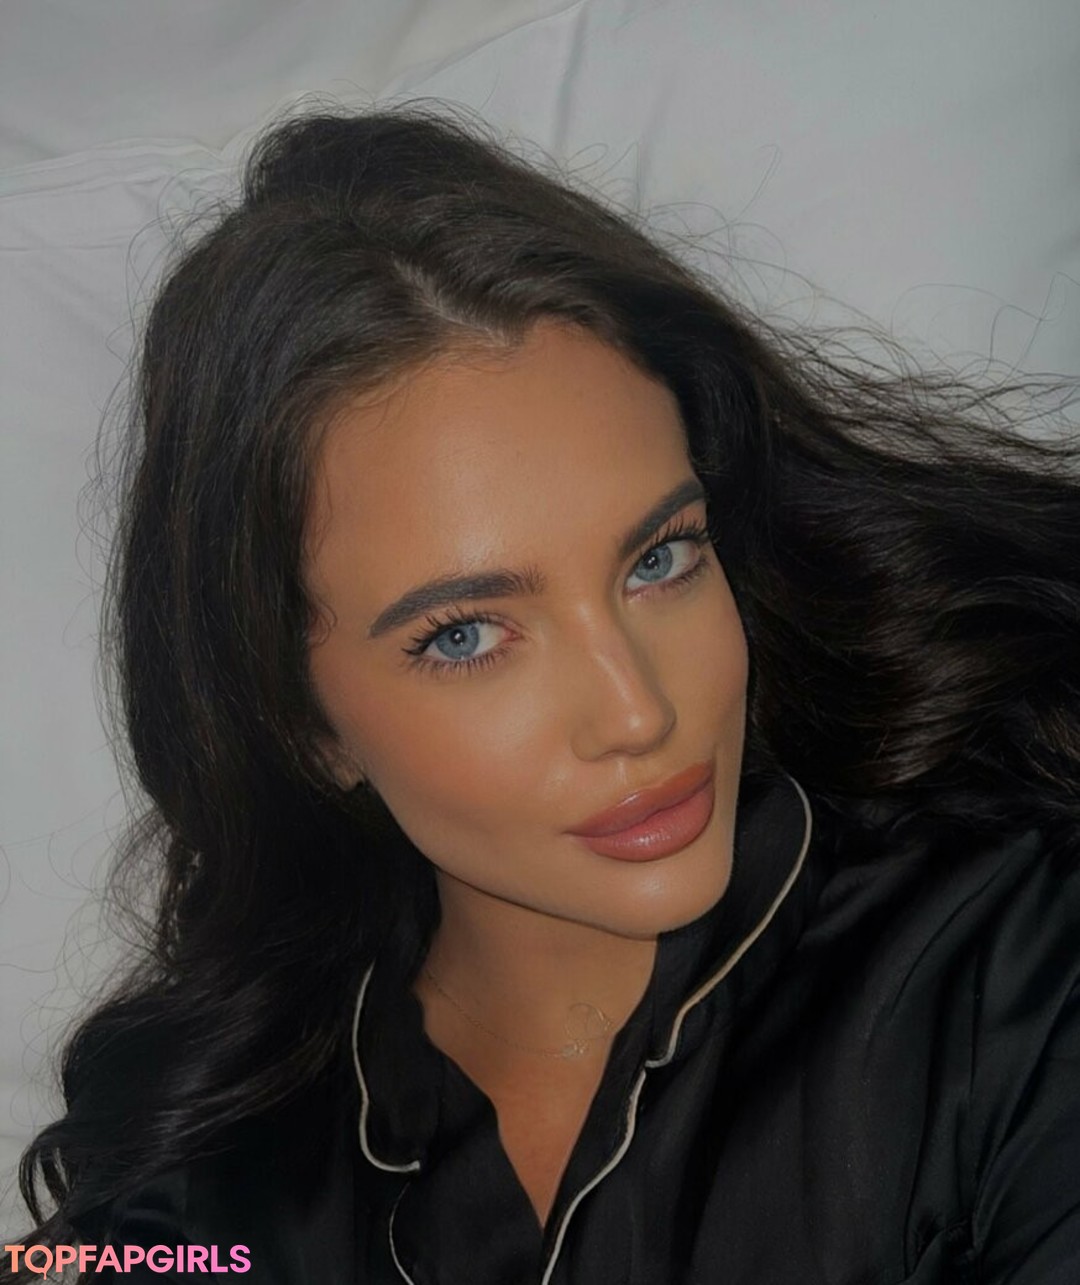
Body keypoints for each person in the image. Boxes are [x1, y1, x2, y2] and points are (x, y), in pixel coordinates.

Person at [5, 105, 1080, 1285]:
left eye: (659, 558)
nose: (638, 712)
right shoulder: (208, 1182)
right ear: (302, 723)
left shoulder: (1013, 965)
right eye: (466, 635)